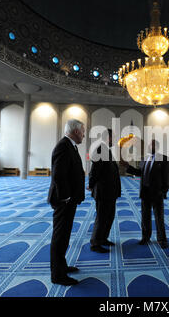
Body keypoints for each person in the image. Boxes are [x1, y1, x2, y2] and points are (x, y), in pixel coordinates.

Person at [48, 119, 86, 286]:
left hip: (69, 200)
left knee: (64, 236)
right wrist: (65, 197)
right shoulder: (63, 146)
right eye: (83, 132)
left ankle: (62, 266)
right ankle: (57, 275)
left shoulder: (70, 146)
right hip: (64, 201)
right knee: (60, 237)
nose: (84, 135)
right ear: (77, 131)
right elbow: (58, 175)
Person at [121, 139, 169, 249]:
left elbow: (167, 177)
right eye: (149, 145)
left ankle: (162, 239)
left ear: (156, 147)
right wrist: (128, 167)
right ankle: (145, 237)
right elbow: (140, 172)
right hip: (145, 193)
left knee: (159, 217)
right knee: (145, 217)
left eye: (151, 145)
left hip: (157, 193)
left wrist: (163, 192)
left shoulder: (163, 159)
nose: (149, 147)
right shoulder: (145, 159)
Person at [88, 129, 121, 253]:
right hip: (103, 191)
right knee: (102, 217)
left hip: (110, 191)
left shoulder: (107, 150)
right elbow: (95, 169)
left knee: (109, 216)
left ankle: (103, 238)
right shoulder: (101, 149)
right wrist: (91, 185)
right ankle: (95, 243)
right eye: (114, 137)